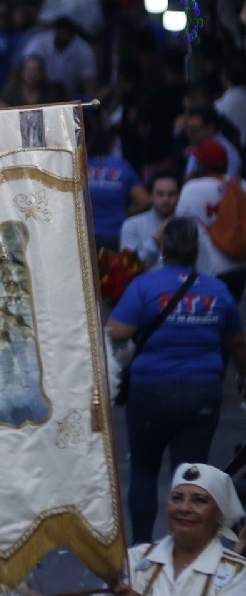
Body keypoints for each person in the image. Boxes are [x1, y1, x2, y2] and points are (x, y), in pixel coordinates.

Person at [108, 218, 246, 544]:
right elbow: (238, 341)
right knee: (189, 478)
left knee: (143, 471)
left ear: (164, 248)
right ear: (196, 250)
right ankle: (183, 547)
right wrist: (243, 376)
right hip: (201, 393)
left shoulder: (144, 286)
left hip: (150, 392)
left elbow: (116, 331)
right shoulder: (218, 290)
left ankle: (142, 549)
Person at [114, 464, 246, 595]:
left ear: (219, 515)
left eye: (199, 500)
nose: (184, 508)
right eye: (177, 498)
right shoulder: (134, 560)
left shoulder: (238, 574)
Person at [175, 141, 246, 300]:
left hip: (207, 267)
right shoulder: (241, 185)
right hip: (240, 265)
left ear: (200, 164)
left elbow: (181, 230)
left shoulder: (191, 188)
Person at [87, 123, 149, 254]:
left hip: (86, 236)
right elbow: (144, 201)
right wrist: (125, 213)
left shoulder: (78, 167)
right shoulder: (123, 167)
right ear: (112, 144)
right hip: (115, 234)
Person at [18, 17, 97, 98]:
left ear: (74, 31)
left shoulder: (84, 49)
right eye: (61, 28)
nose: (64, 32)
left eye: (68, 29)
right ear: (55, 28)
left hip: (70, 97)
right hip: (38, 94)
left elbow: (90, 87)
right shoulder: (37, 43)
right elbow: (23, 70)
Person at [121, 173, 181, 271]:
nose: (165, 199)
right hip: (144, 284)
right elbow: (128, 268)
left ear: (178, 196)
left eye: (171, 194)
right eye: (160, 194)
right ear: (151, 195)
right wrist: (155, 240)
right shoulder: (131, 225)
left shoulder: (189, 226)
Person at [0, 55, 68, 109]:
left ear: (43, 73)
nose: (32, 74)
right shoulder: (12, 89)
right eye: (28, 69)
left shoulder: (51, 92)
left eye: (36, 70)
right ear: (22, 72)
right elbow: (0, 110)